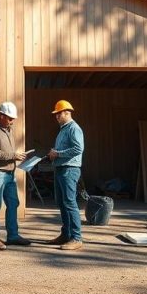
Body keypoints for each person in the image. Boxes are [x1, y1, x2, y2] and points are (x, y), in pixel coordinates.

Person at [0, 101, 31, 251]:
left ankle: (13, 236)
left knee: (13, 203)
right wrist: (14, 155)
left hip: (10, 173)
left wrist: (18, 157)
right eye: (10, 118)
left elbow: (6, 153)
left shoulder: (8, 130)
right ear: (1, 115)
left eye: (13, 119)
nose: (12, 121)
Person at [46, 99, 84, 250]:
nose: (56, 116)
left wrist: (58, 153)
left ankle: (76, 238)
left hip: (69, 169)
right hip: (61, 168)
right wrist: (54, 154)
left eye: (58, 114)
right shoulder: (63, 129)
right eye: (55, 114)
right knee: (62, 203)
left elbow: (78, 149)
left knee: (69, 203)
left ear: (67, 113)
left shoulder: (74, 128)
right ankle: (66, 235)